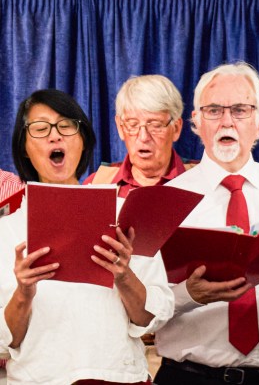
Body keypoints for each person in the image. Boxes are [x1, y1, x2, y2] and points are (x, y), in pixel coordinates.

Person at [0, 89, 174, 384]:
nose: (55, 136)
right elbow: (8, 341)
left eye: (67, 126)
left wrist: (123, 275)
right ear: (25, 147)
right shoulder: (7, 231)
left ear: (83, 140)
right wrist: (24, 293)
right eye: (40, 129)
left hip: (120, 378)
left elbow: (149, 320)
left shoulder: (126, 215)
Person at [153, 62, 259, 385]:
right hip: (187, 377)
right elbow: (140, 313)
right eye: (214, 110)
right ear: (197, 121)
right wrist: (187, 295)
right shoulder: (163, 203)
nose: (227, 121)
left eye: (241, 110)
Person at [83, 75, 194, 197]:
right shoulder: (97, 184)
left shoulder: (203, 181)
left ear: (176, 129)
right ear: (120, 128)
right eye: (133, 124)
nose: (143, 137)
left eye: (155, 125)